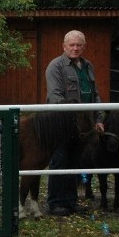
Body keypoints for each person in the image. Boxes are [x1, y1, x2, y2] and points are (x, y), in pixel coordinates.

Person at [45, 30, 105, 216]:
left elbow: (95, 95)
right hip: (62, 124)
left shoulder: (88, 66)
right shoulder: (56, 66)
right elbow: (55, 97)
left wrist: (98, 119)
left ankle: (71, 201)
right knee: (59, 161)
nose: (75, 48)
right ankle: (55, 203)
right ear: (64, 46)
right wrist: (74, 119)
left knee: (76, 162)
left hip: (84, 128)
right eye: (71, 45)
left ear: (84, 46)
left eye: (79, 45)